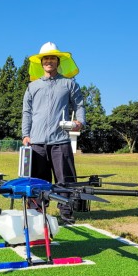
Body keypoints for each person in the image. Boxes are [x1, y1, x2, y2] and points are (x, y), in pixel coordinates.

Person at [22, 42, 86, 224]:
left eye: (52, 58)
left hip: (61, 140)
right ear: (41, 63)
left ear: (58, 62)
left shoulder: (69, 84)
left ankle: (66, 213)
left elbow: (79, 105)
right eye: (46, 59)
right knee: (36, 180)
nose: (49, 61)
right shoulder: (32, 87)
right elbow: (26, 112)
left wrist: (80, 122)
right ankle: (36, 212)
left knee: (64, 179)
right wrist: (25, 134)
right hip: (37, 141)